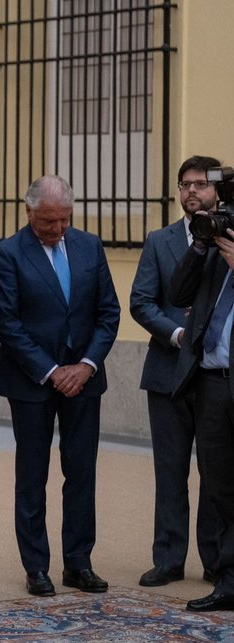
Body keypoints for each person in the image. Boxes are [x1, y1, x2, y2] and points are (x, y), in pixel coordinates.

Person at [0, 175, 120, 597]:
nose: (57, 229)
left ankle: (78, 563)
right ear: (28, 213)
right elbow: (6, 322)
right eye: (48, 222)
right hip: (31, 380)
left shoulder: (89, 246)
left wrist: (85, 365)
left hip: (84, 379)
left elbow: (108, 313)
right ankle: (36, 567)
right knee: (32, 474)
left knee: (81, 472)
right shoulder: (8, 253)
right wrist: (50, 370)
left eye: (64, 220)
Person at [130, 155, 223, 587]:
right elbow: (141, 301)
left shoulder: (229, 236)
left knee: (216, 470)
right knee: (170, 470)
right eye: (185, 184)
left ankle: (215, 558)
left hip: (212, 377)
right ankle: (168, 558)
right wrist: (177, 332)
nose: (191, 191)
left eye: (201, 184)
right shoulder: (159, 240)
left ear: (218, 189)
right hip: (168, 370)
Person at [167, 208, 234, 612]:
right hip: (211, 382)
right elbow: (177, 294)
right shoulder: (213, 249)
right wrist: (199, 244)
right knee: (220, 487)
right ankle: (228, 579)